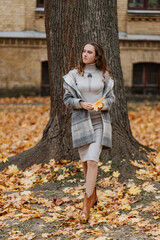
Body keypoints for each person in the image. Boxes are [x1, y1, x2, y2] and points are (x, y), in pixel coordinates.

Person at [63, 41, 116, 221]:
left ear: (96, 56)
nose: (85, 54)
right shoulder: (73, 75)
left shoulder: (105, 75)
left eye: (89, 52)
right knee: (86, 164)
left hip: (100, 122)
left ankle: (86, 203)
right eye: (83, 51)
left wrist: (102, 105)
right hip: (81, 123)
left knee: (93, 161)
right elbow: (67, 99)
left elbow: (111, 99)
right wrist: (80, 104)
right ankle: (93, 195)